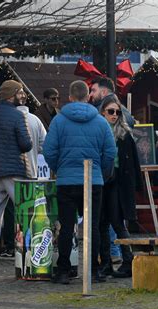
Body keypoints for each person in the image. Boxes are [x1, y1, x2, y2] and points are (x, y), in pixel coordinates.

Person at [43, 80, 116, 284]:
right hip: (93, 181)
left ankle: (64, 270)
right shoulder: (101, 121)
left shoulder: (59, 121)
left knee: (67, 226)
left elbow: (48, 150)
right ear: (88, 96)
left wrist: (60, 168)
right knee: (92, 226)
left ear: (69, 97)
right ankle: (93, 270)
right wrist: (100, 171)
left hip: (66, 181)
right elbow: (110, 152)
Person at [0, 80, 32, 265]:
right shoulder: (18, 116)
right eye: (20, 92)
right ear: (13, 95)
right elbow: (26, 144)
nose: (22, 96)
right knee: (25, 211)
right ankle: (29, 249)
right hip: (13, 171)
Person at [98, 95, 143, 278]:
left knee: (117, 221)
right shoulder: (99, 131)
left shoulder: (124, 134)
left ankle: (128, 259)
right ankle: (106, 262)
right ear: (103, 112)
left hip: (118, 181)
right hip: (102, 180)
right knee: (102, 223)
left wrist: (136, 185)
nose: (114, 115)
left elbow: (133, 163)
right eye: (111, 111)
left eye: (117, 112)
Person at [17, 102, 47, 179]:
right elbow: (45, 145)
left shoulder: (6, 119)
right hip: (31, 171)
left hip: (9, 174)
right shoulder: (36, 120)